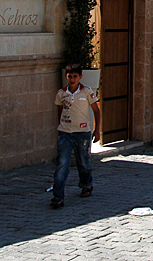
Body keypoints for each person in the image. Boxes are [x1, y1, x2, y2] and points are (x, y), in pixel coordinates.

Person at [50, 64, 101, 209]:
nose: (72, 79)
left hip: (82, 133)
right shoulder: (61, 93)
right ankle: (58, 196)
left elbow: (96, 110)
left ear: (80, 77)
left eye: (75, 76)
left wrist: (97, 130)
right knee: (63, 164)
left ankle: (86, 184)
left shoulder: (87, 92)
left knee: (83, 161)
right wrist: (61, 127)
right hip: (65, 133)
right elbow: (60, 110)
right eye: (69, 76)